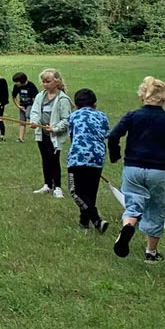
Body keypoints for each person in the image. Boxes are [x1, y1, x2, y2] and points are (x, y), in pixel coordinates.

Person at [107, 76, 165, 263]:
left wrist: (115, 155)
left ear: (142, 97)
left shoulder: (132, 116)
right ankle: (151, 253)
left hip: (132, 168)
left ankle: (128, 227)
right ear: (163, 99)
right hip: (158, 171)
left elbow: (113, 136)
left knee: (133, 204)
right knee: (155, 209)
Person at [64, 89, 110, 235]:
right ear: (95, 104)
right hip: (97, 157)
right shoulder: (102, 116)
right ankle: (84, 222)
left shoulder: (73, 116)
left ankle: (96, 219)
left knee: (75, 191)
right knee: (90, 191)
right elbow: (105, 135)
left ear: (76, 105)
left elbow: (72, 136)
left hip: (78, 157)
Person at [29, 68, 72, 198]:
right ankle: (47, 184)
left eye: (48, 81)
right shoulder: (40, 96)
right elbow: (35, 111)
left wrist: (55, 128)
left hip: (54, 136)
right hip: (42, 134)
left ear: (56, 81)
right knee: (45, 159)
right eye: (43, 82)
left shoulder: (62, 99)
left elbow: (67, 119)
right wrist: (34, 121)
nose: (45, 84)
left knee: (54, 159)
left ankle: (57, 186)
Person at [11, 72, 38, 143]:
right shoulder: (16, 86)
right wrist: (19, 106)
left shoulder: (31, 86)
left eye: (17, 81)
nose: (16, 83)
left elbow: (36, 98)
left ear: (22, 80)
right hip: (22, 105)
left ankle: (38, 131)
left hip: (30, 105)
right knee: (22, 121)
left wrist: (35, 108)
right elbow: (14, 97)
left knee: (28, 115)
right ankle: (20, 138)